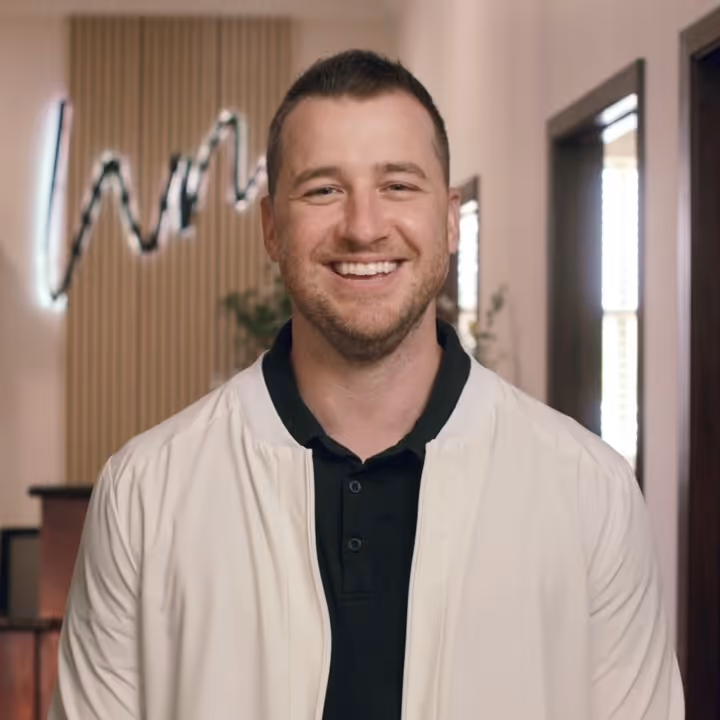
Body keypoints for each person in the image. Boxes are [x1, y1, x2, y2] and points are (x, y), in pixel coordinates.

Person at [50, 50, 684, 720]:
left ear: (448, 218)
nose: (362, 226)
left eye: (399, 186)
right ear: (271, 227)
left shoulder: (591, 495)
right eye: (323, 189)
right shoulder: (145, 495)